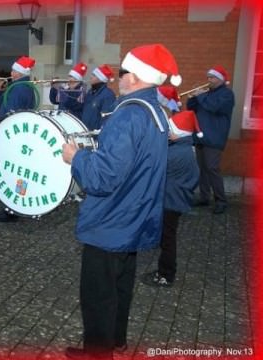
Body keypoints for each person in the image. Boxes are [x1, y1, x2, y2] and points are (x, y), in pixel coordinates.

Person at [61, 44, 181, 359]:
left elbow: (102, 178)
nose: (118, 77)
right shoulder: (155, 111)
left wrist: (77, 157)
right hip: (133, 218)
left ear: (138, 75)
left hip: (110, 222)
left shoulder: (128, 114)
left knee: (98, 295)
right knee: (120, 287)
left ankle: (98, 353)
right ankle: (115, 341)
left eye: (123, 72)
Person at [141, 94, 200, 288]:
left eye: (171, 130)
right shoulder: (183, 148)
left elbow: (154, 168)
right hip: (174, 199)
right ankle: (165, 270)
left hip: (170, 202)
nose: (167, 132)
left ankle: (166, 274)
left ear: (179, 133)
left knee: (167, 240)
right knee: (166, 236)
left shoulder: (177, 153)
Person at [0, 56, 37, 222]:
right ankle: (17, 205)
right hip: (19, 136)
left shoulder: (18, 89)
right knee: (18, 171)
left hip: (12, 137)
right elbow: (5, 103)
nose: (10, 73)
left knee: (13, 172)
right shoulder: (21, 86)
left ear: (19, 72)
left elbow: (10, 113)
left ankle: (12, 208)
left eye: (13, 70)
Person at [186, 65, 235, 215]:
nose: (209, 80)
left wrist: (200, 96)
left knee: (212, 169)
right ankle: (204, 197)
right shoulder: (206, 94)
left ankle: (221, 200)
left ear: (220, 79)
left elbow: (215, 107)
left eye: (212, 77)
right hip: (200, 136)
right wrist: (193, 98)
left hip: (214, 138)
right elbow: (192, 109)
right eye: (208, 77)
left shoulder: (227, 94)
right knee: (202, 169)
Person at [81, 64, 116, 131]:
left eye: (94, 75)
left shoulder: (108, 95)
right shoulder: (90, 92)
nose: (90, 77)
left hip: (96, 135)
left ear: (100, 78)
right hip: (86, 132)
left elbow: (106, 118)